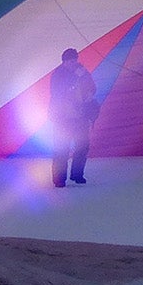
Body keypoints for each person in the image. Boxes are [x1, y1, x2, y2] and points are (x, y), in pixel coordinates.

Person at [48, 48, 97, 187]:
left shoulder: (82, 72)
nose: (73, 63)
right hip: (62, 118)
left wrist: (88, 92)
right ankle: (59, 179)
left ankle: (77, 174)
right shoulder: (58, 74)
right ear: (64, 62)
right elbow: (58, 93)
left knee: (82, 146)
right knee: (61, 148)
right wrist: (76, 77)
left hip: (80, 117)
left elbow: (93, 87)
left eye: (75, 60)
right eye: (70, 61)